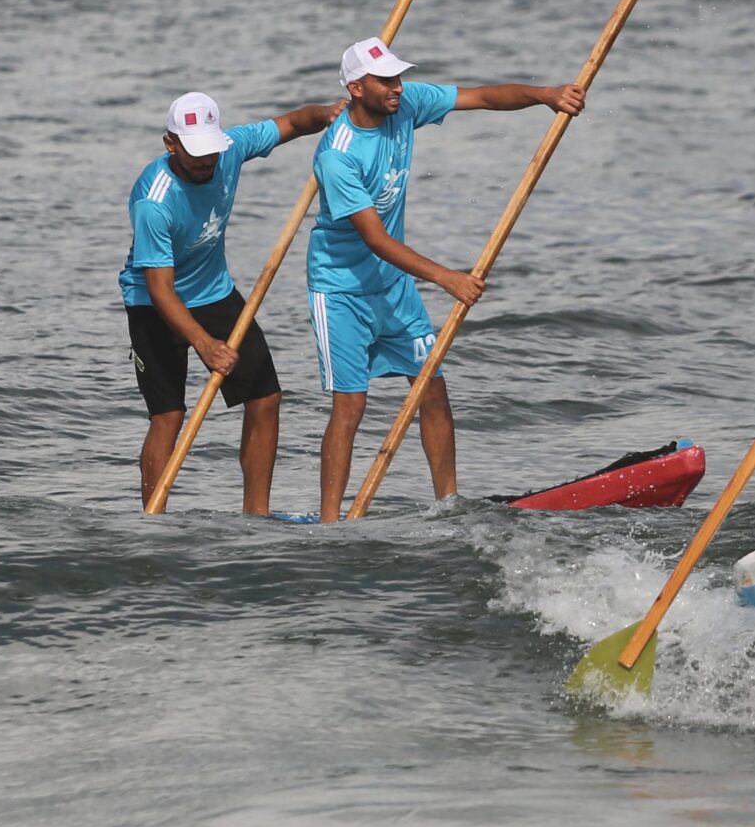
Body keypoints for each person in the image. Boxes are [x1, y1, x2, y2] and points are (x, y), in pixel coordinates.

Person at [308, 37, 586, 522]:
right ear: (355, 88)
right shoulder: (338, 155)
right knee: (350, 406)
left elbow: (480, 97)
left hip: (393, 285)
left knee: (432, 387)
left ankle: (449, 505)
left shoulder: (406, 103)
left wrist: (544, 94)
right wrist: (446, 278)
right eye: (385, 80)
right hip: (340, 290)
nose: (397, 87)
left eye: (398, 77)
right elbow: (375, 238)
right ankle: (331, 524)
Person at [122, 89, 336, 512]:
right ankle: (152, 519)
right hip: (153, 303)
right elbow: (162, 290)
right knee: (168, 416)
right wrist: (205, 344)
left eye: (212, 151)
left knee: (265, 398)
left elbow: (294, 123)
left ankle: (255, 515)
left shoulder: (230, 150)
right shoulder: (154, 200)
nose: (206, 161)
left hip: (214, 293)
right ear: (170, 143)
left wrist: (330, 114)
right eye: (195, 152)